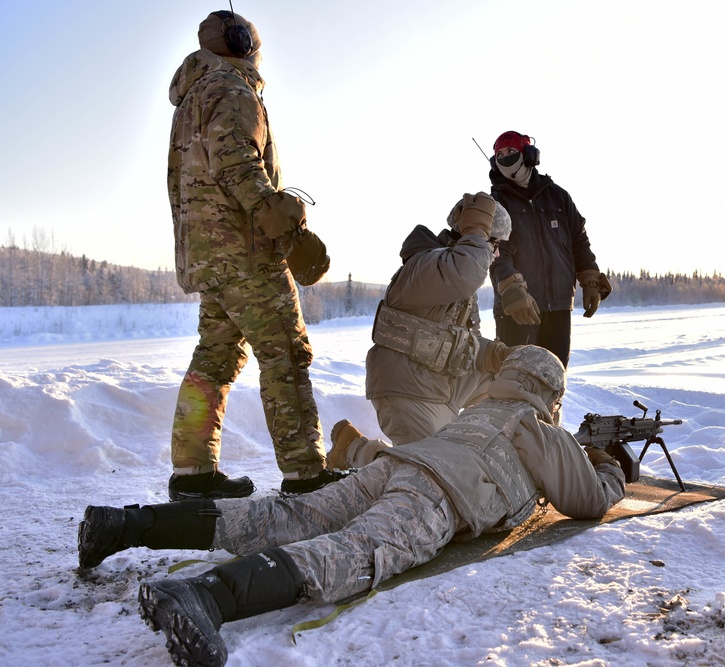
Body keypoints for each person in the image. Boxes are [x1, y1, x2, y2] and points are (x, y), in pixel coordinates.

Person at [77, 346, 626, 667]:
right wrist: (610, 465)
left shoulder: (481, 408)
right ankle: (205, 598)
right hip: (438, 495)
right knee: (355, 551)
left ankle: (123, 524)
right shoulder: (538, 428)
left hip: (398, 466)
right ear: (552, 391)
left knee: (282, 517)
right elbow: (588, 501)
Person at [166, 10, 339, 500]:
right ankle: (306, 474)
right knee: (285, 352)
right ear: (244, 45)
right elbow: (238, 165)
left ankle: (193, 473)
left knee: (215, 358)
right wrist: (283, 228)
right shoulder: (234, 90)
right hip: (245, 253)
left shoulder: (191, 98)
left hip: (208, 257)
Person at [355, 192, 514, 457]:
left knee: (506, 382)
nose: (496, 253)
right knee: (435, 478)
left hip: (442, 385)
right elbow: (465, 273)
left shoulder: (451, 275)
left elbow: (464, 342)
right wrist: (477, 232)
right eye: (494, 243)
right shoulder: (426, 266)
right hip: (410, 392)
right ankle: (356, 451)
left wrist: (499, 356)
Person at [488, 130, 613, 368]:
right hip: (518, 308)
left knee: (554, 379)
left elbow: (578, 240)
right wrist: (511, 290)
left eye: (511, 152)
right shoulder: (494, 204)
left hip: (558, 305)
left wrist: (590, 281)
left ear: (529, 155)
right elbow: (494, 252)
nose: (505, 157)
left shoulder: (557, 197)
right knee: (515, 382)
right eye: (500, 154)